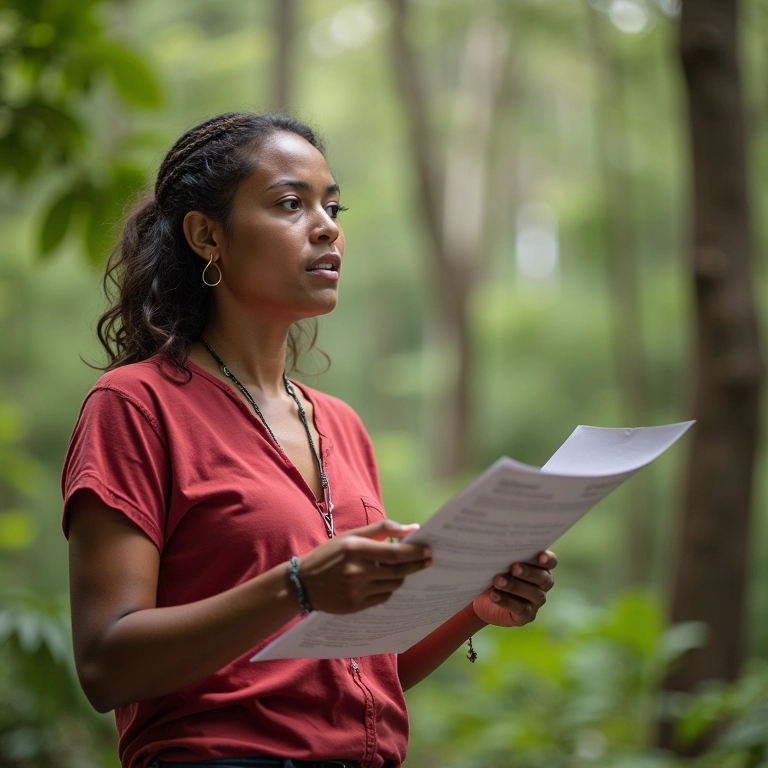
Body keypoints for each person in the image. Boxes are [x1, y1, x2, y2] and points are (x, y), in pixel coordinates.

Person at [62, 112, 557, 768]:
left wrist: (472, 604)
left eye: (332, 205)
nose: (326, 226)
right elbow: (106, 665)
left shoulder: (341, 425)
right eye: (290, 204)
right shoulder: (135, 405)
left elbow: (357, 667)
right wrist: (295, 586)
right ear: (207, 235)